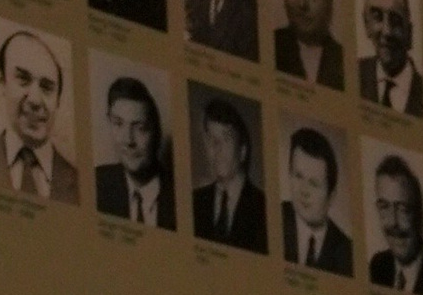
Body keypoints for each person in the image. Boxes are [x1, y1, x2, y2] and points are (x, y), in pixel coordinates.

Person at [0, 27, 78, 204]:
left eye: (47, 87)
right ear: (2, 83)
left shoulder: (79, 183)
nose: (35, 100)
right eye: (23, 79)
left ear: (58, 100)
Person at [94, 77, 176, 226]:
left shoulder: (180, 196)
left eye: (140, 128)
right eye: (118, 124)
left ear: (157, 132)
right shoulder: (96, 183)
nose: (128, 140)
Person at [191, 92, 267, 252]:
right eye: (211, 139)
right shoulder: (193, 201)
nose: (217, 148)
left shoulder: (264, 208)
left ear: (243, 151)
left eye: (226, 139)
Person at [282, 127, 353, 273]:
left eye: (314, 184)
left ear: (331, 196)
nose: (303, 191)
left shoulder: (349, 255)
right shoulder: (269, 217)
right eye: (298, 176)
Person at [359, 0, 423, 116]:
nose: (387, 31)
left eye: (395, 20)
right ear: (366, 25)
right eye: (377, 17)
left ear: (409, 33)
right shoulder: (353, 74)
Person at [369, 155, 423, 295]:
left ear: (421, 218)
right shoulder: (376, 267)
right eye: (384, 207)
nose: (393, 222)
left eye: (403, 209)